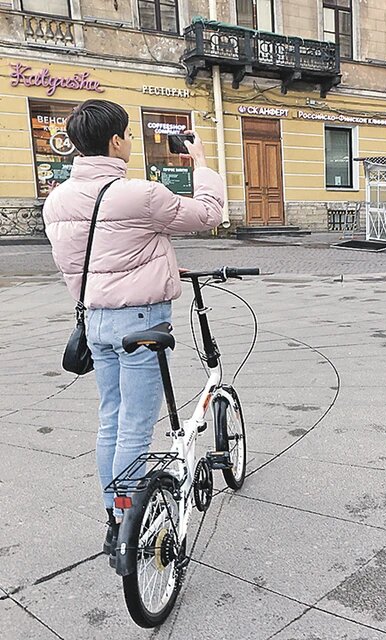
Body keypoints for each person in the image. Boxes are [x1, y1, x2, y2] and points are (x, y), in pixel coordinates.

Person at [42, 100, 224, 559]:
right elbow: (206, 215)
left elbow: (99, 257)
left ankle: (114, 515)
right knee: (136, 428)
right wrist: (200, 163)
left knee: (111, 418)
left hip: (95, 323)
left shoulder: (57, 199)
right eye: (125, 135)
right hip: (140, 322)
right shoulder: (137, 193)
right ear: (115, 141)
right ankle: (130, 520)